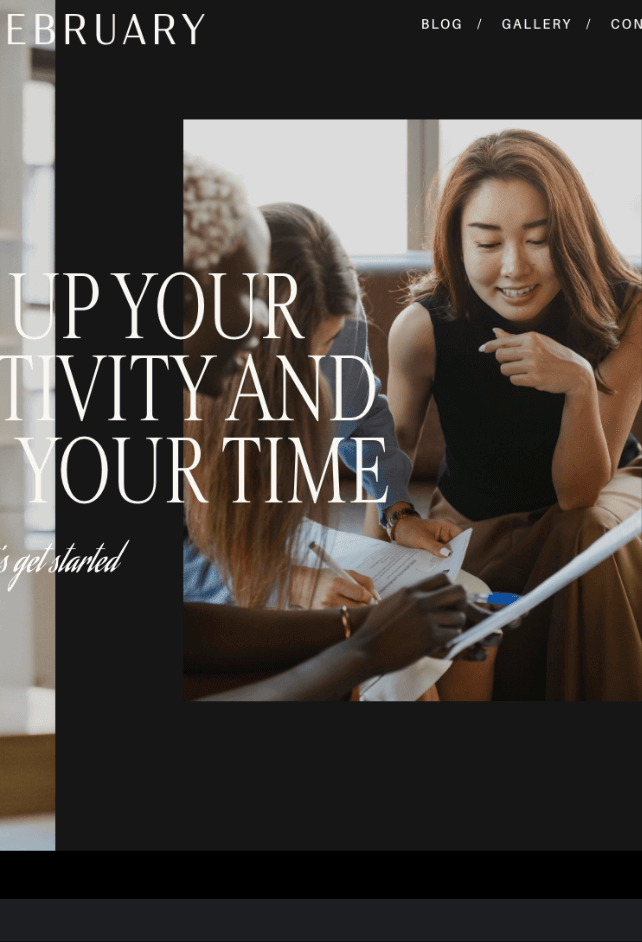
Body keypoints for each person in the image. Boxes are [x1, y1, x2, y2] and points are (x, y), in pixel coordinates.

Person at [176, 158, 498, 700]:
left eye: (330, 343)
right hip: (205, 562)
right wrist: (292, 584)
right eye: (307, 350)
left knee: (466, 604)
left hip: (270, 533)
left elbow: (364, 416)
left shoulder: (339, 327)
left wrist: (396, 511)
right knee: (399, 659)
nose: (321, 366)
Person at [386, 129, 642, 701]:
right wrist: (394, 519)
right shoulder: (422, 328)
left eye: (539, 239)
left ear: (571, 236)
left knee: (585, 530)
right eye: (487, 242)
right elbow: (389, 450)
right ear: (456, 243)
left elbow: (580, 493)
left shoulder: (630, 308)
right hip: (479, 514)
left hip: (605, 498)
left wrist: (579, 384)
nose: (514, 268)